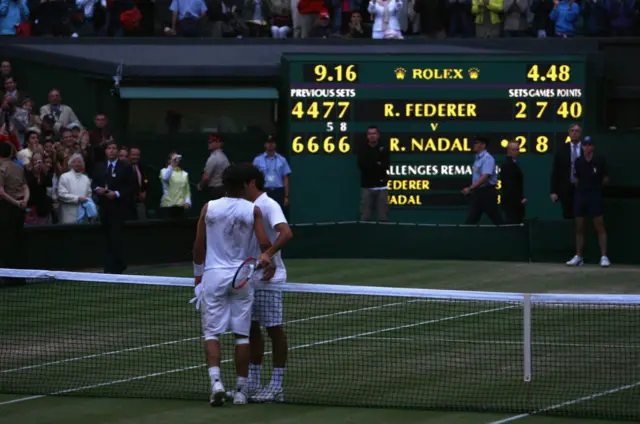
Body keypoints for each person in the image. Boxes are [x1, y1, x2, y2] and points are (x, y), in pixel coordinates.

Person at [191, 164, 281, 406]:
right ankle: (241, 391)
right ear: (244, 185)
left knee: (212, 333)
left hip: (214, 276)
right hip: (241, 278)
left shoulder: (208, 207)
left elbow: (199, 246)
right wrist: (268, 260)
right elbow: (264, 242)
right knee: (242, 335)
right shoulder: (253, 210)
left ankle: (216, 383)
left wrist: (198, 274)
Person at [244, 165, 294, 403]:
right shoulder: (245, 206)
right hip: (249, 277)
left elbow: (286, 233)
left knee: (273, 329)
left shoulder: (269, 204)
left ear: (252, 183)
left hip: (270, 280)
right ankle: (253, 382)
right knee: (251, 329)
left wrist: (269, 255)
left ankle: (276, 385)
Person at [91, 141, 136, 274]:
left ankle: (114, 267)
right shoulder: (99, 167)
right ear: (105, 151)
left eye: (114, 148)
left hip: (119, 208)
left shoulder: (125, 167)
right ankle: (114, 265)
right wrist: (97, 189)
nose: (111, 150)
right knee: (107, 237)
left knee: (115, 236)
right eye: (109, 148)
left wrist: (116, 194)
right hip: (104, 208)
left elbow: (132, 186)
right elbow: (93, 182)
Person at [566, 137, 611, 267]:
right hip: (581, 196)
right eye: (585, 145)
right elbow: (576, 179)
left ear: (593, 147)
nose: (587, 147)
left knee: (599, 226)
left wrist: (595, 188)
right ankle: (579, 256)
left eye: (589, 145)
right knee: (579, 227)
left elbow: (606, 178)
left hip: (595, 195)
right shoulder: (579, 161)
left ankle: (603, 256)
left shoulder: (600, 160)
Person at [0, 141, 29, 270]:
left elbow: (1, 192)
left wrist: (16, 203)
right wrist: (24, 201)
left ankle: (10, 275)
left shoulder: (1, 168)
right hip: (19, 209)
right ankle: (18, 275)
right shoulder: (19, 167)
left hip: (6, 209)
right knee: (17, 241)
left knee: (7, 243)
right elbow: (25, 187)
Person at [462, 136, 503, 225]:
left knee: (497, 219)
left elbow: (485, 176)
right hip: (479, 193)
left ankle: (509, 235)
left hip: (487, 193)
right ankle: (464, 236)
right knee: (471, 219)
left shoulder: (487, 158)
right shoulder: (478, 158)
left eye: (477, 143)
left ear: (483, 145)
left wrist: (470, 188)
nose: (474, 145)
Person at [357, 126, 390, 222]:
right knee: (365, 217)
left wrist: (372, 163)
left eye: (374, 133)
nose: (372, 136)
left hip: (382, 187)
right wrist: (376, 163)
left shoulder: (384, 148)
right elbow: (362, 165)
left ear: (378, 135)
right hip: (367, 187)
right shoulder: (363, 149)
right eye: (370, 134)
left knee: (383, 217)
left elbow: (386, 165)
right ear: (367, 136)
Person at [550, 124, 582, 220]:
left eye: (577, 131)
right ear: (569, 133)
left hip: (582, 188)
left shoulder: (586, 149)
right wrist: (553, 191)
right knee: (567, 215)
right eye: (572, 131)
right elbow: (556, 171)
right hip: (566, 188)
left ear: (580, 134)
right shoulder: (561, 150)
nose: (574, 133)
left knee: (581, 216)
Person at [252, 135, 291, 209]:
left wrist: (286, 196)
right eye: (268, 143)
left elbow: (285, 179)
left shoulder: (282, 159)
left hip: (278, 191)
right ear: (265, 145)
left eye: (272, 143)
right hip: (264, 190)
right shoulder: (257, 160)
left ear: (275, 145)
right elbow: (253, 178)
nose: (270, 145)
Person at [57, 153, 93, 224]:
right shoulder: (64, 177)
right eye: (74, 162)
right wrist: (77, 199)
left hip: (83, 213)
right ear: (70, 164)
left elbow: (89, 194)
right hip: (68, 214)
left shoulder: (86, 178)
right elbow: (61, 194)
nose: (77, 164)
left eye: (79, 162)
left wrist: (87, 201)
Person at [500, 140, 527, 224]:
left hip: (514, 204)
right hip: (512, 205)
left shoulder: (513, 164)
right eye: (515, 149)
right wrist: (519, 201)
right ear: (509, 151)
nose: (518, 152)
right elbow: (510, 187)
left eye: (518, 149)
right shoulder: (508, 165)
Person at [159, 152, 192, 219]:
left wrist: (188, 202)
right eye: (174, 158)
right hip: (168, 206)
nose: (176, 160)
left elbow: (187, 190)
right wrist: (172, 165)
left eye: (177, 158)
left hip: (181, 207)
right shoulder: (163, 171)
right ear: (169, 160)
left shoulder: (184, 174)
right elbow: (165, 178)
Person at [24, 152, 52, 225]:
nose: (37, 162)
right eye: (35, 160)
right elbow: (28, 185)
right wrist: (35, 173)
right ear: (32, 161)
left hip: (42, 206)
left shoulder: (45, 172)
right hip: (31, 204)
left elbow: (49, 184)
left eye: (39, 160)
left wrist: (43, 173)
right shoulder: (27, 171)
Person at [199, 135, 229, 201]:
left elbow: (206, 178)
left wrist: (200, 186)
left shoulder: (213, 157)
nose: (209, 143)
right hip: (223, 190)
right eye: (209, 141)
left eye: (211, 141)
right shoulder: (224, 156)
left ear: (218, 143)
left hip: (215, 191)